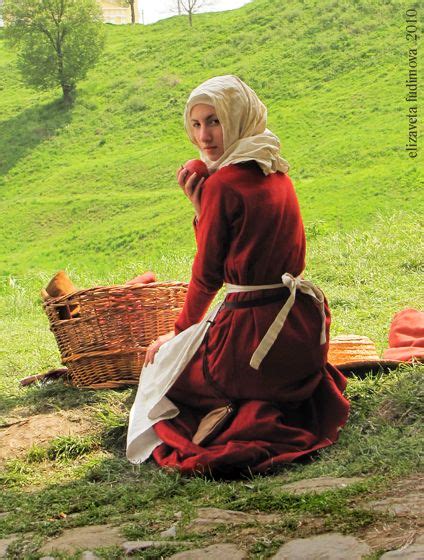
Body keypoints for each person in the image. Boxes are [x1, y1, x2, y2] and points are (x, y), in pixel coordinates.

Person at [126, 75, 350, 476]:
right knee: (182, 362)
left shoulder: (223, 184)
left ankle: (229, 410)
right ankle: (249, 400)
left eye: (214, 121)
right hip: (298, 331)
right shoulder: (276, 169)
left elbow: (208, 274)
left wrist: (177, 333)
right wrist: (202, 209)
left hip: (248, 334)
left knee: (162, 373)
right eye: (195, 125)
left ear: (237, 118)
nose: (204, 136)